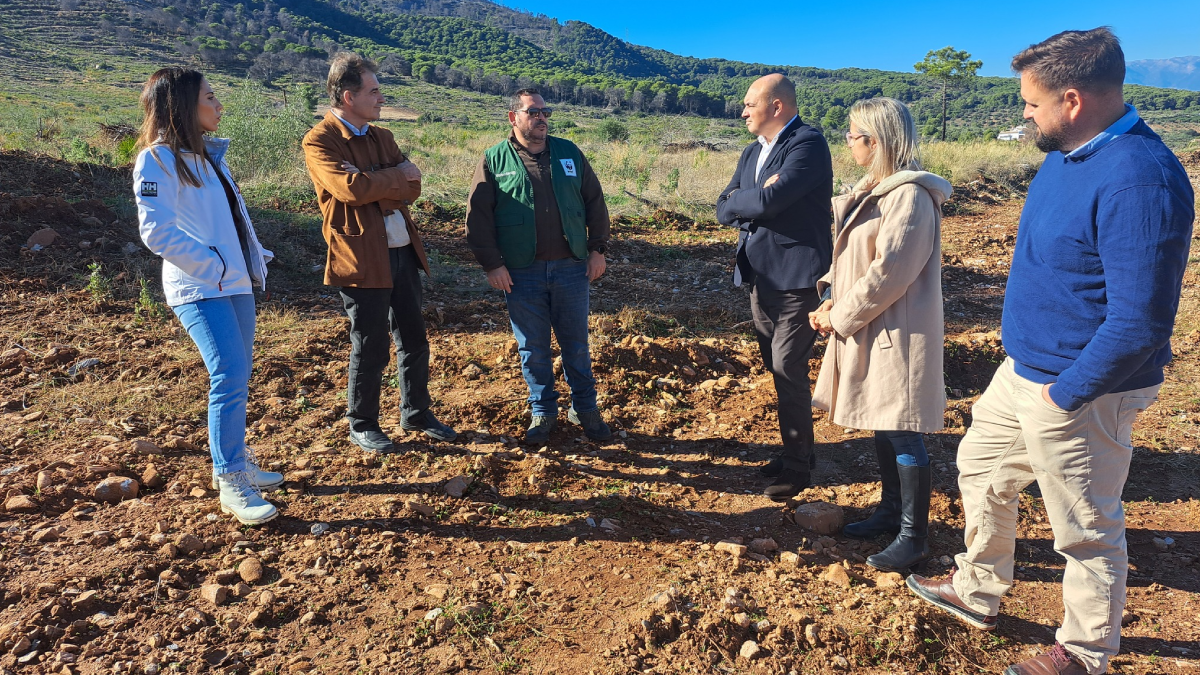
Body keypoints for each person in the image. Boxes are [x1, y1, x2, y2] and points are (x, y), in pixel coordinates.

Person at [907, 28, 1194, 675]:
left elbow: (1141, 323)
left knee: (1085, 527)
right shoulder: (1068, 153)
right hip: (1026, 372)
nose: (1025, 114)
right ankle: (979, 590)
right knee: (980, 465)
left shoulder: (1141, 180)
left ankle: (1086, 652)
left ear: (1071, 99)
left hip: (1083, 387)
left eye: (1032, 103)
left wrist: (1065, 393)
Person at [133, 67, 282, 526]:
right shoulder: (156, 160)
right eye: (210, 97)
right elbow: (156, 231)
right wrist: (213, 265)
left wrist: (252, 257)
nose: (219, 105)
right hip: (199, 287)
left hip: (234, 282)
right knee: (228, 374)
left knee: (238, 376)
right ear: (181, 105)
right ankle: (230, 478)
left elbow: (231, 220)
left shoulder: (209, 158)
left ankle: (238, 460)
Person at [808, 98, 951, 572]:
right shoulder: (879, 190)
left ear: (875, 140)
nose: (847, 143)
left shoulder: (907, 196)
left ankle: (914, 537)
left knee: (903, 428)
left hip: (896, 330)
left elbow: (890, 272)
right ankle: (892, 513)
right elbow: (852, 258)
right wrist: (830, 296)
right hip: (876, 325)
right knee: (885, 421)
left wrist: (840, 315)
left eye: (851, 135)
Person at [302, 53, 456, 453]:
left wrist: (376, 184)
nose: (381, 98)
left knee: (414, 339)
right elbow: (350, 190)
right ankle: (363, 422)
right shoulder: (319, 140)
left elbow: (414, 186)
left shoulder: (382, 137)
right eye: (374, 91)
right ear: (348, 95)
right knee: (370, 343)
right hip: (360, 257)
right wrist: (390, 181)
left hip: (402, 249)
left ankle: (416, 412)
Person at [465, 88, 612, 444]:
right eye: (533, 112)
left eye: (545, 112)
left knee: (576, 343)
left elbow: (594, 201)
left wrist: (598, 250)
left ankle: (585, 409)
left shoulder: (569, 153)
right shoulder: (494, 160)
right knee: (532, 346)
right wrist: (492, 265)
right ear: (513, 117)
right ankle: (543, 412)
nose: (542, 118)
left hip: (571, 268)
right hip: (520, 271)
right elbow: (478, 218)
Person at [716, 74, 833, 500]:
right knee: (776, 368)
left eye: (749, 104)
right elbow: (721, 207)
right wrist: (751, 196)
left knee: (787, 369)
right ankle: (793, 451)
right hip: (759, 278)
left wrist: (748, 199)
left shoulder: (807, 144)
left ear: (777, 106)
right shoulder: (753, 152)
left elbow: (765, 203)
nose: (743, 112)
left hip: (797, 281)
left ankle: (800, 467)